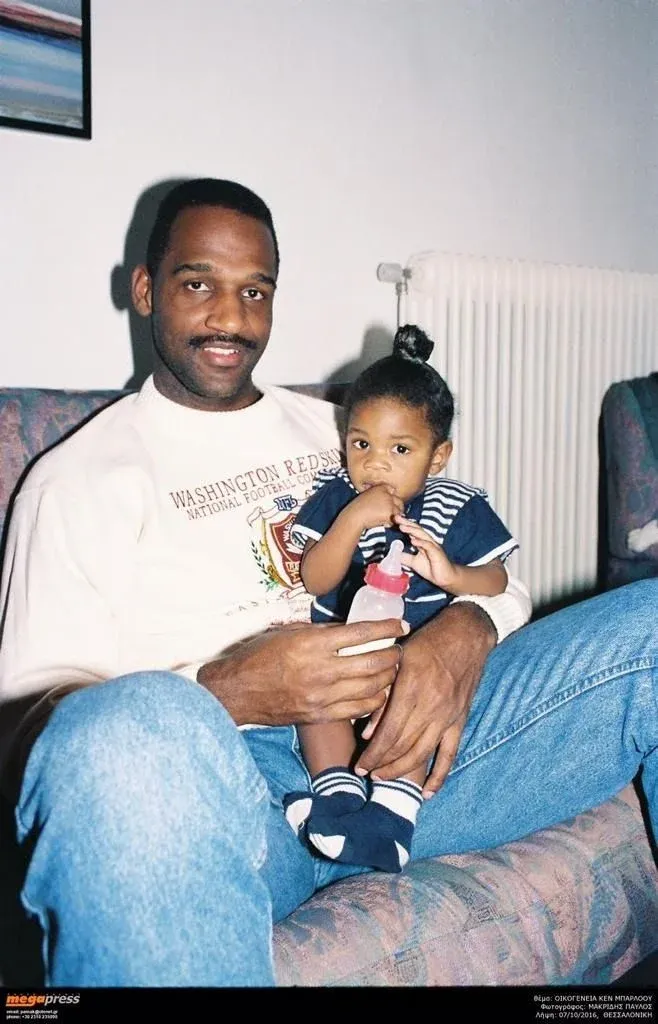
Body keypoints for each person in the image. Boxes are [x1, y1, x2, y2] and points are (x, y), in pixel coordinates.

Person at [0, 177, 656, 989]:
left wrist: (468, 630)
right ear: (144, 290)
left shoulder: (342, 427)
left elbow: (467, 552)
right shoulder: (76, 481)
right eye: (198, 284)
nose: (231, 318)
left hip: (410, 747)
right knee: (128, 728)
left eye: (255, 291)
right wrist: (224, 690)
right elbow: (28, 733)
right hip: (230, 793)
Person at [283, 324, 518, 873]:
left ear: (437, 457)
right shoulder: (338, 497)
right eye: (361, 443)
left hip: (413, 660)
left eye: (400, 449)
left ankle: (393, 815)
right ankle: (337, 799)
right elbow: (315, 578)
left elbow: (497, 581)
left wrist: (453, 574)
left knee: (413, 702)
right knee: (314, 697)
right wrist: (351, 522)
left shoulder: (456, 507)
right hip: (344, 652)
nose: (375, 463)